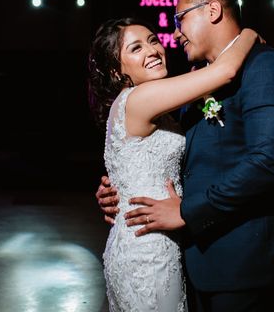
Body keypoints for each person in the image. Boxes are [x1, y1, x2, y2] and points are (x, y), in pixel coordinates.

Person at [96, 0, 274, 311]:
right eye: (136, 47)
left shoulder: (264, 66)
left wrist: (184, 210)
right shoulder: (186, 84)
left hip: (243, 261)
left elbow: (267, 163)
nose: (172, 37)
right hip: (177, 254)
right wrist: (119, 186)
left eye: (179, 21)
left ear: (213, 11)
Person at [87, 16, 260, 311]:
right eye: (136, 48)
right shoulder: (142, 97)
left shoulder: (147, 102)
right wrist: (249, 33)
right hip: (148, 248)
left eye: (153, 40)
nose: (152, 50)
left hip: (143, 239)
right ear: (118, 71)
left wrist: (113, 188)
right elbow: (227, 70)